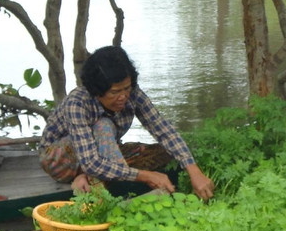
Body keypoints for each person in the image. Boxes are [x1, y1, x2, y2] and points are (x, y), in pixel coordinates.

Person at [38, 45, 214, 201]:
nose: (123, 97)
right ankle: (103, 194)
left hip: (100, 152)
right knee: (104, 125)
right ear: (97, 90)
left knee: (161, 152)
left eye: (127, 88)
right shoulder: (77, 102)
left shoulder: (133, 94)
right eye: (115, 92)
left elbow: (163, 129)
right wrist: (146, 176)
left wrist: (194, 170)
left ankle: (88, 177)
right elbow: (90, 161)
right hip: (59, 160)